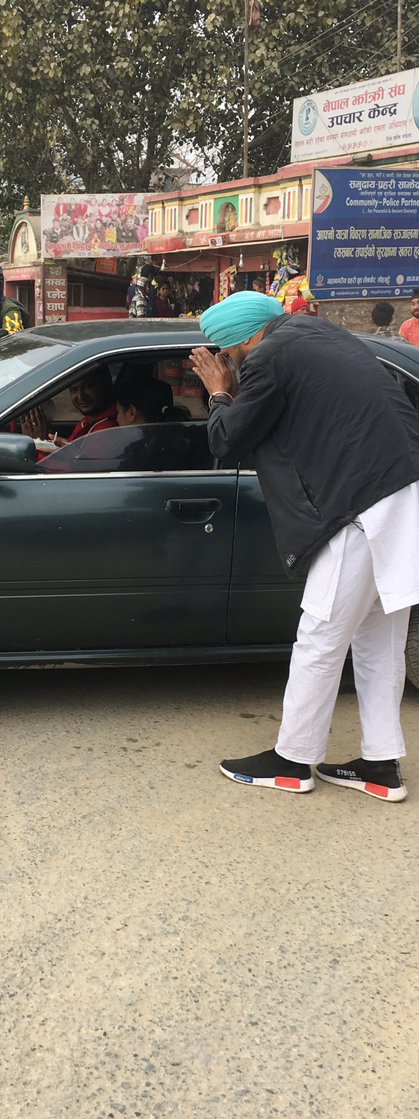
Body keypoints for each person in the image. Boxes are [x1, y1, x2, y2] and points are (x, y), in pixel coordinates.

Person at [189, 289, 419, 801]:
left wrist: (219, 391)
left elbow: (227, 440)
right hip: (406, 495)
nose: (227, 363)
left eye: (226, 354)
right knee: (378, 640)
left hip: (362, 507)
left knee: (319, 636)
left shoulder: (269, 356)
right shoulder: (321, 333)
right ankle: (382, 768)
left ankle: (292, 762)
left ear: (245, 339)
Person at [21, 365, 117, 448]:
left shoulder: (106, 430)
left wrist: (40, 443)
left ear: (105, 385)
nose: (81, 396)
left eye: (88, 386)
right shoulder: (88, 421)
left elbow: (75, 466)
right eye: (74, 390)